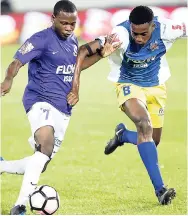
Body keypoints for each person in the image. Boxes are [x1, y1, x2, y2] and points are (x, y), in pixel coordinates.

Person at [0, 0, 120, 214]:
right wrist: (8, 79)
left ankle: (3, 166)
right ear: (53, 19)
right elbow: (16, 61)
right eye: (64, 23)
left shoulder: (73, 41)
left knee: (40, 161)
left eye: (72, 24)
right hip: (39, 100)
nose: (68, 28)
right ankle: (19, 205)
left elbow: (78, 67)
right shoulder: (41, 39)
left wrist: (101, 55)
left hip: (63, 108)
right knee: (45, 146)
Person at [67, 6, 187, 205]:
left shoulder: (168, 28)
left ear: (153, 26)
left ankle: (123, 136)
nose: (138, 38)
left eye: (144, 34)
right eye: (135, 33)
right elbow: (83, 52)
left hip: (156, 87)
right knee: (144, 124)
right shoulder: (120, 35)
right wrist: (76, 85)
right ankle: (160, 190)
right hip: (128, 84)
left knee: (152, 141)